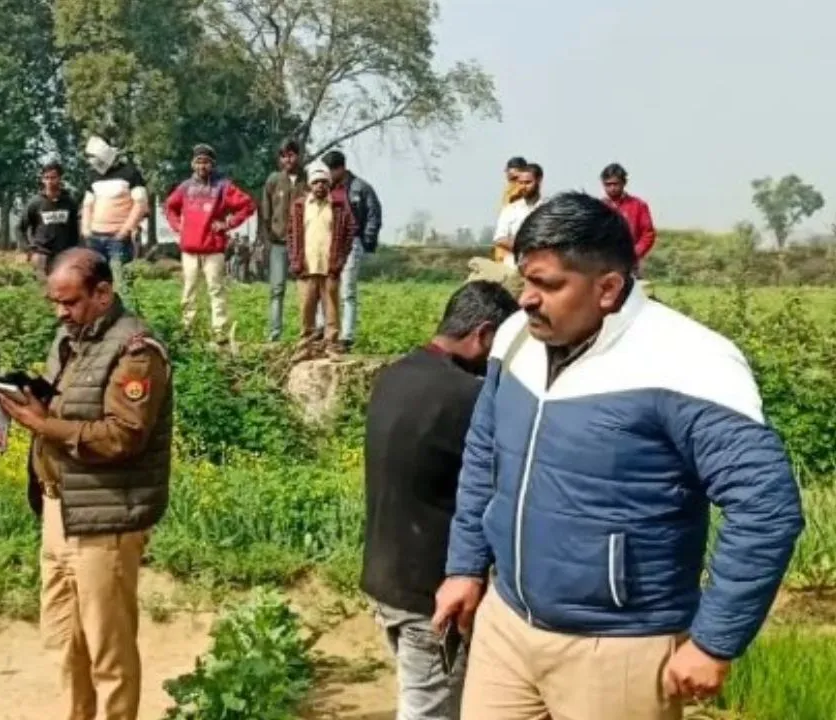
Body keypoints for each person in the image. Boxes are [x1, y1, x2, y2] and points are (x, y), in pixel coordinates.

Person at [433, 192, 805, 720]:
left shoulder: (688, 361)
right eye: (525, 280)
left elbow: (766, 508)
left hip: (619, 647)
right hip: (507, 627)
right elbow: (483, 454)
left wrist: (715, 641)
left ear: (608, 288)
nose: (527, 299)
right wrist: (466, 567)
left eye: (548, 285)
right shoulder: (516, 339)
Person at [0, 247, 173, 720]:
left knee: (108, 654)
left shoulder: (136, 352)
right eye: (55, 302)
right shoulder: (69, 340)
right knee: (67, 646)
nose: (61, 313)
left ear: (103, 293)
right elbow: (65, 405)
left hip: (105, 520)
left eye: (70, 303)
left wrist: (43, 426)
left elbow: (124, 437)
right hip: (60, 509)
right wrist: (25, 399)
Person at [362, 281, 518, 720]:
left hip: (384, 575)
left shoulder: (396, 374)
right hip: (430, 592)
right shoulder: (467, 397)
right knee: (430, 711)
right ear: (484, 335)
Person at [164, 144, 256, 344]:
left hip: (213, 248)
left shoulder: (223, 187)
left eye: (206, 162)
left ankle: (219, 332)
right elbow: (169, 207)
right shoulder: (185, 187)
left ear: (212, 165)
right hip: (189, 249)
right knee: (189, 290)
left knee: (216, 290)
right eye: (198, 161)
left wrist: (227, 223)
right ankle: (187, 330)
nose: (202, 166)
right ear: (192, 164)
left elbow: (248, 205)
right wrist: (177, 226)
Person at [316, 150, 382, 352]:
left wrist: (367, 240)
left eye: (330, 171)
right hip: (328, 242)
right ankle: (322, 331)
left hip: (352, 242)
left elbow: (373, 214)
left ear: (341, 168)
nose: (326, 176)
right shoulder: (324, 189)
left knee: (347, 290)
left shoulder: (360, 188)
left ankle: (347, 336)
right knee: (325, 287)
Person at [287, 163, 356, 353]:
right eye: (316, 182)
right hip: (306, 266)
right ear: (310, 184)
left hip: (330, 266)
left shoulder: (339, 205)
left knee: (331, 307)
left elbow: (350, 230)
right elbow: (291, 234)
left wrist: (341, 258)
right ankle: (307, 344)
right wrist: (294, 259)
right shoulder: (300, 205)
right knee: (306, 306)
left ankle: (331, 343)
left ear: (329, 184)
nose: (320, 186)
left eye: (324, 182)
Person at [81, 135, 148, 305]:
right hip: (95, 238)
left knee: (121, 283)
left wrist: (125, 230)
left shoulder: (130, 173)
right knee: (96, 283)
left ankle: (126, 321)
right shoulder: (92, 176)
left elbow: (140, 204)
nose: (94, 163)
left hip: (118, 238)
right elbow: (88, 205)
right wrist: (86, 230)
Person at [259, 139, 308, 342]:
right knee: (277, 288)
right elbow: (265, 211)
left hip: (303, 243)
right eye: (283, 155)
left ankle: (308, 333)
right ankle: (274, 333)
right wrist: (267, 237)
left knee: (306, 288)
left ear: (298, 155)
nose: (287, 159)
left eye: (291, 154)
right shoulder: (274, 180)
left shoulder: (309, 179)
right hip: (278, 242)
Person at [21, 160, 81, 280]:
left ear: (60, 178)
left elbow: (76, 228)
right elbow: (20, 227)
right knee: (43, 289)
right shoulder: (35, 203)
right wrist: (28, 250)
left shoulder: (70, 202)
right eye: (46, 178)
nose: (49, 181)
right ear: (42, 180)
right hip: (42, 254)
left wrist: (77, 249)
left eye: (53, 177)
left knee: (64, 288)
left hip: (65, 254)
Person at [600, 163, 657, 270]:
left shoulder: (639, 205)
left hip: (630, 265)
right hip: (603, 264)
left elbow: (648, 234)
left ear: (624, 183)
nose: (612, 188)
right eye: (608, 184)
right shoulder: (597, 207)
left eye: (615, 184)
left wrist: (634, 253)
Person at [491, 163, 545, 270]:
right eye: (521, 183)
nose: (523, 187)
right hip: (514, 265)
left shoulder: (549, 208)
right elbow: (499, 238)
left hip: (543, 264)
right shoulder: (510, 210)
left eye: (528, 183)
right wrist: (523, 248)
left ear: (539, 180)